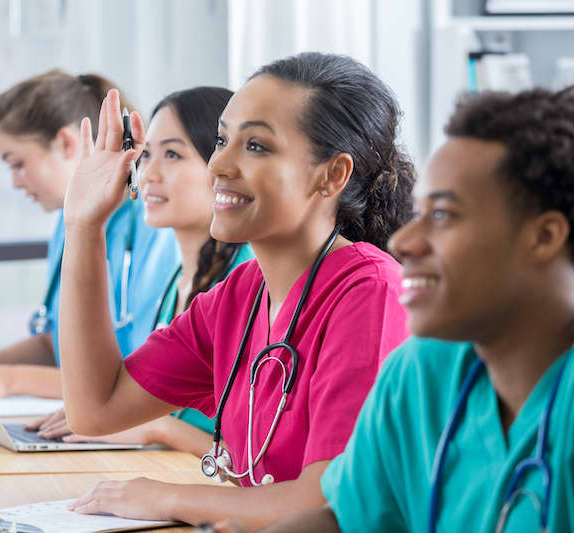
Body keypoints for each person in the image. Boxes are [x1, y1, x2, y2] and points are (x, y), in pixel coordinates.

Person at [57, 52, 414, 530]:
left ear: (332, 175)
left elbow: (325, 506)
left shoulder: (371, 293)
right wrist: (83, 226)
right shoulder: (239, 296)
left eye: (257, 147)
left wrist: (165, 498)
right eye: (223, 140)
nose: (220, 164)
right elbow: (94, 409)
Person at [224, 87, 574, 533]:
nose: (404, 241)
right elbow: (346, 520)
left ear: (543, 237)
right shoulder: (422, 372)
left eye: (444, 216)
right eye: (418, 212)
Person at [0, 70, 179, 399]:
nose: (15, 182)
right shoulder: (68, 223)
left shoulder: (152, 223)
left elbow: (135, 376)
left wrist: (9, 380)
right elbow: (56, 346)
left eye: (17, 164)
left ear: (65, 143)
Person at [49, 87, 254, 453]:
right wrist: (81, 223)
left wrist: (160, 429)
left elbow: (260, 456)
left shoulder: (249, 279)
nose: (148, 174)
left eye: (173, 154)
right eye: (145, 156)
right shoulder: (179, 282)